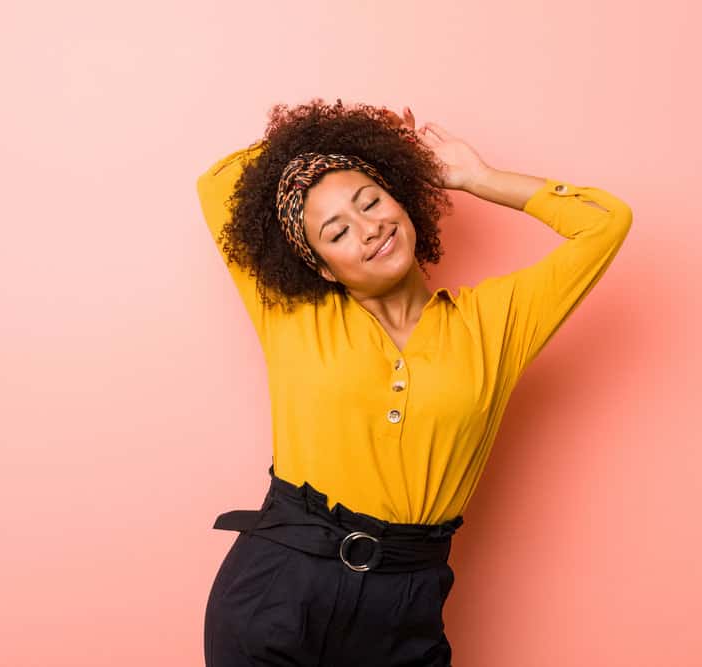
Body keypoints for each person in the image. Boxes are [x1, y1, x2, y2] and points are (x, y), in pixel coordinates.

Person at [196, 99, 633, 666]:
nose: (369, 228)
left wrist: (477, 178)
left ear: (401, 199)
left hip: (405, 602)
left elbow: (606, 221)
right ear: (322, 266)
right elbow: (217, 183)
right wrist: (332, 141)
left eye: (371, 200)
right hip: (278, 590)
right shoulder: (292, 315)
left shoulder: (493, 323)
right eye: (337, 230)